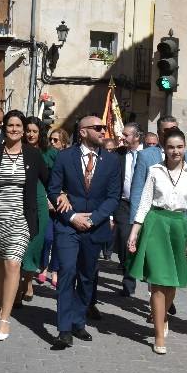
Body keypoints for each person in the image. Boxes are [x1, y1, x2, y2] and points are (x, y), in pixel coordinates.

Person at [0, 110, 48, 341]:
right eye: (10, 125)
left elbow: (49, 179)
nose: (14, 129)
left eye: (18, 125)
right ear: (4, 128)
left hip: (21, 219)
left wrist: (62, 194)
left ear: (24, 130)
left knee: (13, 264)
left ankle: (5, 317)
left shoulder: (33, 156)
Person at [48, 115, 121, 350]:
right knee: (67, 270)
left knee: (87, 276)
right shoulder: (64, 157)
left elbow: (113, 197)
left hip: (95, 227)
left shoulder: (111, 162)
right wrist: (71, 216)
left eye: (104, 127)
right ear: (82, 132)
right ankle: (64, 330)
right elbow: (53, 189)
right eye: (97, 128)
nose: (103, 131)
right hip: (68, 226)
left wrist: (94, 219)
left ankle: (79, 321)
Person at [127, 128, 187, 355]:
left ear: (184, 148)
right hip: (156, 223)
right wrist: (134, 231)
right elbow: (145, 201)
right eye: (170, 147)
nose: (175, 151)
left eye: (179, 147)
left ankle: (163, 315)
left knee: (172, 283)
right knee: (158, 281)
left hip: (179, 226)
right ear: (164, 149)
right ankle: (159, 334)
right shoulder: (155, 170)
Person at [17, 117, 52, 303]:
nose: (30, 134)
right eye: (28, 130)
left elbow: (56, 179)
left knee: (35, 244)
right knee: (19, 246)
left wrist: (55, 196)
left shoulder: (49, 154)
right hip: (18, 201)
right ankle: (15, 288)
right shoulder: (16, 150)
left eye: (34, 131)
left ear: (40, 133)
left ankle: (28, 282)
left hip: (39, 202)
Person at [116, 122, 143, 296]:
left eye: (126, 135)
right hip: (123, 205)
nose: (122, 138)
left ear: (136, 137)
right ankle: (128, 279)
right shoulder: (118, 155)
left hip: (142, 206)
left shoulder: (148, 155)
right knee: (124, 241)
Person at [38, 126, 67, 287]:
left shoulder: (68, 159)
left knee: (57, 240)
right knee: (47, 238)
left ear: (63, 143)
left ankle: (55, 270)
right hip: (47, 201)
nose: (52, 142)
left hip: (63, 204)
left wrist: (64, 197)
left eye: (56, 140)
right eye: (51, 139)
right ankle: (43, 267)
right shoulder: (45, 156)